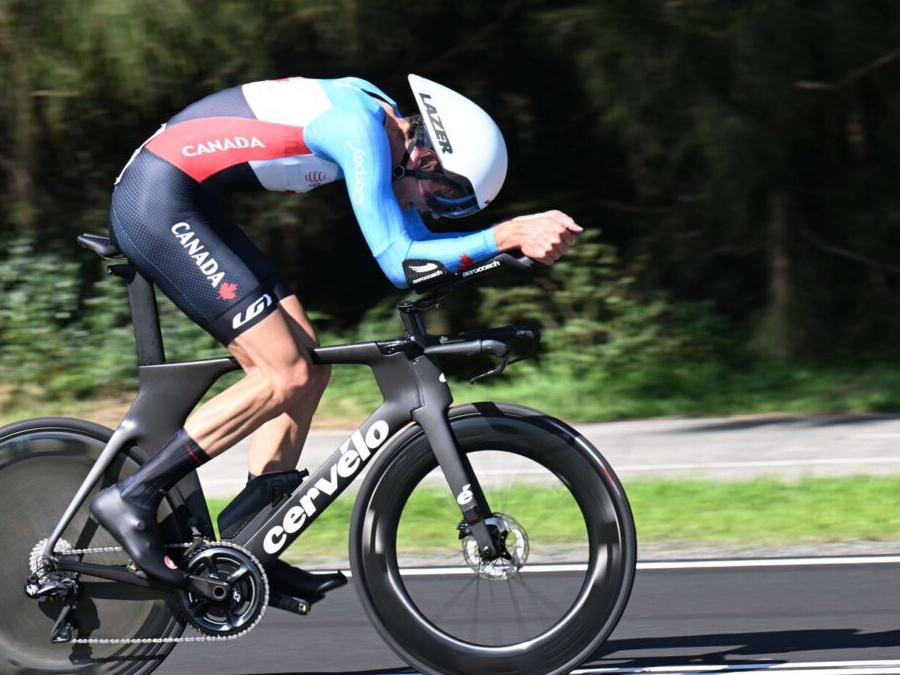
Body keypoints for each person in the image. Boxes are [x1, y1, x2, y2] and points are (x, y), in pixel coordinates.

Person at [90, 74, 583, 606]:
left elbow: (415, 246)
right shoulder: (359, 127)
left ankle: (252, 538)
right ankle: (133, 496)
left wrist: (488, 249)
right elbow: (401, 259)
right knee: (284, 372)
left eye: (451, 208)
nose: (430, 210)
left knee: (307, 363)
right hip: (158, 201)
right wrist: (505, 233)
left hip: (192, 201)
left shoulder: (377, 113)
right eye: (443, 193)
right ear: (425, 155)